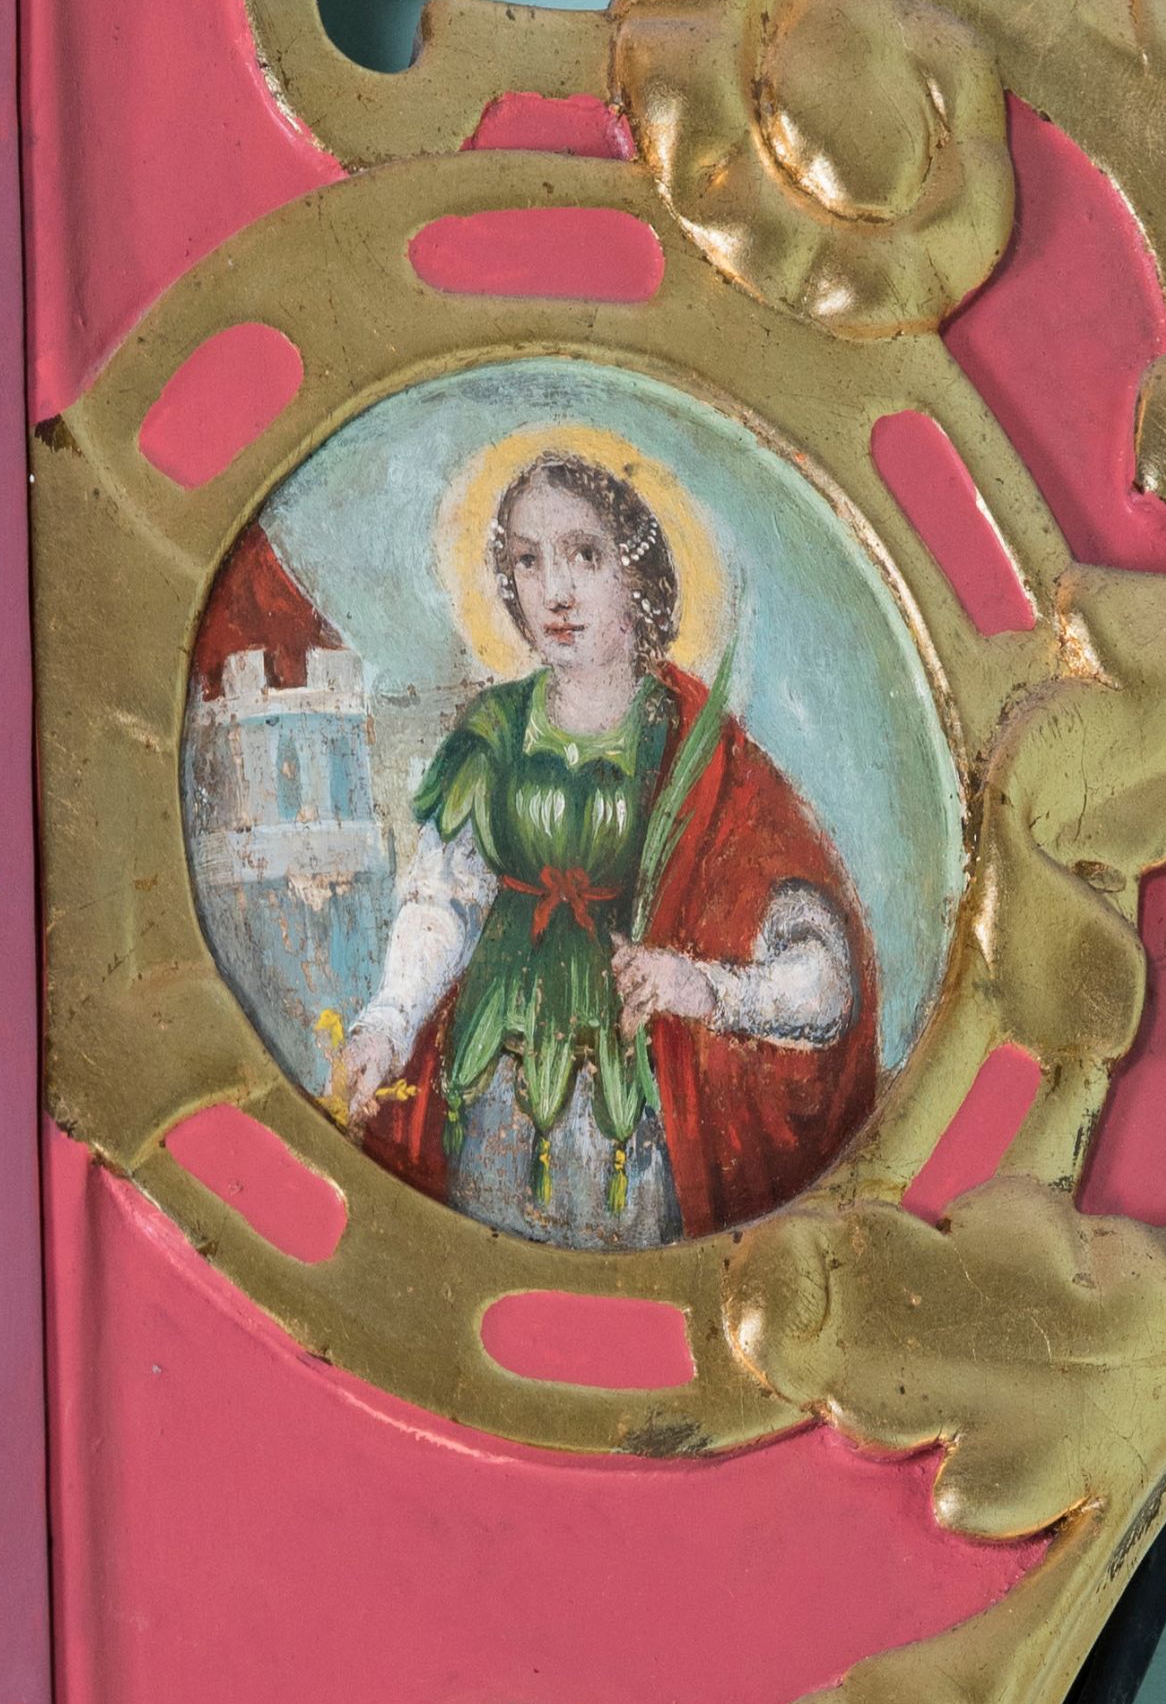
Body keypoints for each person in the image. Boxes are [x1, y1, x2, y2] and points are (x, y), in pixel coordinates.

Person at [331, 450, 882, 1248]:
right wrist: (387, 1024)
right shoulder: (492, 733)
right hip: (486, 1083)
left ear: (638, 575)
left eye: (584, 555)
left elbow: (826, 987)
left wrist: (705, 986)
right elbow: (443, 899)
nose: (554, 591)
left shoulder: (698, 753)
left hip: (637, 1103)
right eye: (528, 561)